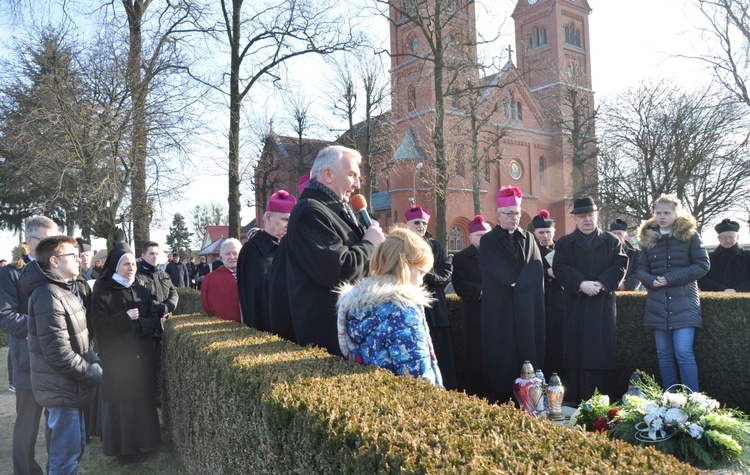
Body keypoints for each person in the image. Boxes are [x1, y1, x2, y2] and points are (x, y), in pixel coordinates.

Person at [281, 145, 385, 355]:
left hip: (349, 330)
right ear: (328, 175)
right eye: (352, 175)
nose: (357, 184)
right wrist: (369, 244)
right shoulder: (310, 212)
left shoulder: (336, 209)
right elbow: (337, 270)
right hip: (328, 337)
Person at [20, 236, 103, 474]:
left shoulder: (65, 289)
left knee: (71, 453)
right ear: (55, 261)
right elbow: (58, 353)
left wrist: (94, 359)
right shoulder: (48, 293)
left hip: (70, 387)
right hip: (61, 389)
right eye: (72, 255)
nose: (79, 259)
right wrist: (92, 374)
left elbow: (80, 338)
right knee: (64, 459)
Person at [336, 225, 442, 386]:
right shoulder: (404, 312)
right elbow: (418, 374)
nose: (421, 281)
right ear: (404, 266)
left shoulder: (358, 305)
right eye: (420, 272)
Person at [91, 242, 161, 466]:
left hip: (141, 358)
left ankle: (145, 443)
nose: (131, 268)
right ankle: (124, 451)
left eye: (133, 264)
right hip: (117, 360)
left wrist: (139, 325)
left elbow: (154, 321)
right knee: (123, 405)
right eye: (125, 264)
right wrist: (125, 317)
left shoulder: (141, 289)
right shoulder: (103, 291)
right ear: (115, 267)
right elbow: (99, 325)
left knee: (141, 401)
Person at [552, 197, 627, 403]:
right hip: (575, 305)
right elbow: (559, 268)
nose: (587, 220)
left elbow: (620, 265)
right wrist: (580, 283)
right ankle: (575, 401)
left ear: (597, 216)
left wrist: (602, 283)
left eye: (591, 216)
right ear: (575, 219)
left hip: (601, 304)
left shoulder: (611, 241)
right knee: (575, 351)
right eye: (583, 216)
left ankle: (602, 403)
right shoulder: (565, 243)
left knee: (601, 351)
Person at [0, 215, 58, 475]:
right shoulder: (10, 273)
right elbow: (6, 316)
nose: (52, 246)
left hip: (58, 360)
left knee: (57, 424)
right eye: (46, 240)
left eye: (54, 240)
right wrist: (43, 326)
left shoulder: (55, 269)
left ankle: (57, 468)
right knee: (27, 426)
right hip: (28, 362)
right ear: (28, 240)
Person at [479, 187, 545, 404]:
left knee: (527, 348)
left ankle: (529, 394)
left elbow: (536, 267)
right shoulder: (489, 240)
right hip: (502, 306)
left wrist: (521, 285)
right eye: (509, 214)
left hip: (524, 304)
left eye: (516, 214)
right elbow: (491, 267)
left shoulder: (528, 237)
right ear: (499, 215)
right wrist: (511, 282)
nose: (514, 218)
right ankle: (501, 394)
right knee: (503, 349)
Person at [637, 194, 709, 392]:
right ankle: (670, 399)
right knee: (664, 354)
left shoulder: (691, 236)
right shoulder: (647, 238)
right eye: (658, 212)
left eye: (667, 213)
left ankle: (693, 399)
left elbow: (703, 265)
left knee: (684, 352)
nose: (662, 216)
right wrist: (651, 280)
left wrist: (670, 278)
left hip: (685, 305)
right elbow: (641, 269)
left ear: (677, 213)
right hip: (657, 305)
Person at [405, 204, 457, 390]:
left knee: (440, 348)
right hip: (410, 302)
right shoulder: (402, 245)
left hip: (435, 304)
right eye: (416, 222)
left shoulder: (436, 246)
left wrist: (428, 276)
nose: (420, 226)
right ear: (408, 224)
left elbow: (446, 269)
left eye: (423, 223)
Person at [238, 190, 296, 331]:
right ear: (268, 217)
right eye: (285, 220)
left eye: (291, 220)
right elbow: (252, 298)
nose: (289, 225)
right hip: (265, 328)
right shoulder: (252, 250)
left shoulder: (290, 247)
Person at [451, 215, 490, 396]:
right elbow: (459, 284)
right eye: (480, 235)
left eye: (486, 234)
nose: (484, 238)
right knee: (475, 354)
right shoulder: (461, 258)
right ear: (472, 237)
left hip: (497, 312)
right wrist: (482, 291)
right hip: (474, 311)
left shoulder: (497, 255)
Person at [135, 241, 179, 406]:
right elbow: (140, 301)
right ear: (143, 255)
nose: (155, 257)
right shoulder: (137, 276)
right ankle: (151, 401)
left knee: (163, 366)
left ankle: (160, 401)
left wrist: (169, 306)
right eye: (151, 253)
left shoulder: (162, 274)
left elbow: (174, 292)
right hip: (148, 330)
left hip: (164, 326)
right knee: (150, 367)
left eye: (157, 253)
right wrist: (160, 309)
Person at [531, 210, 565, 377]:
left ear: (554, 232)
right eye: (541, 233)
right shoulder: (530, 249)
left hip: (560, 302)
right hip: (540, 301)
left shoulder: (562, 248)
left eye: (548, 232)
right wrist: (546, 272)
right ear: (535, 233)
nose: (545, 236)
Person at [698, 219, 750, 292]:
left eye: (731, 237)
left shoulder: (747, 256)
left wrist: (737, 290)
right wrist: (722, 290)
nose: (727, 240)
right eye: (724, 238)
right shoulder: (709, 258)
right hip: (715, 299)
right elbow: (702, 279)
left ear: (737, 237)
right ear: (718, 238)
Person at [201, 238, 242, 322]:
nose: (232, 257)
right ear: (221, 256)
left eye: (235, 253)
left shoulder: (251, 275)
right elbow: (206, 306)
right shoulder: (210, 279)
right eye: (227, 254)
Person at [609, 219, 642, 291]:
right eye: (614, 234)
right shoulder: (603, 252)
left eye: (619, 234)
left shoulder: (637, 254)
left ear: (626, 237)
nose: (616, 237)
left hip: (629, 295)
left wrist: (624, 285)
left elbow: (638, 275)